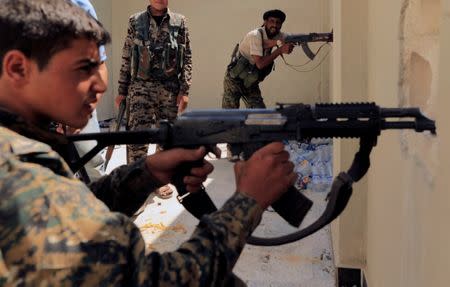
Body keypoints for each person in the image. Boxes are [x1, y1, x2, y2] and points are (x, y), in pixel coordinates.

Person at [0, 0, 296, 285]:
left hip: (168, 89)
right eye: (84, 67)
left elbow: (78, 205)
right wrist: (247, 202)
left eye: (100, 63)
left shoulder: (23, 149)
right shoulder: (21, 179)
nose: (101, 83)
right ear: (17, 68)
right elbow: (157, 279)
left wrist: (147, 172)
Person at [116, 0, 192, 199]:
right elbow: (127, 55)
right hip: (141, 87)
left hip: (169, 88)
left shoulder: (179, 21)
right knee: (137, 140)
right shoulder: (135, 21)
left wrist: (184, 90)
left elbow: (188, 56)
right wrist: (122, 89)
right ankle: (135, 188)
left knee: (164, 139)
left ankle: (157, 181)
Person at [222, 9, 295, 161]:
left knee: (259, 113)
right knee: (231, 115)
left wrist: (319, 38)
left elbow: (290, 39)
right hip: (234, 80)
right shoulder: (255, 35)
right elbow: (260, 64)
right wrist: (280, 50)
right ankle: (232, 149)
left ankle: (256, 148)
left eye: (278, 22)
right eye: (271, 21)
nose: (274, 25)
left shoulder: (280, 36)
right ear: (265, 22)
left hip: (250, 82)